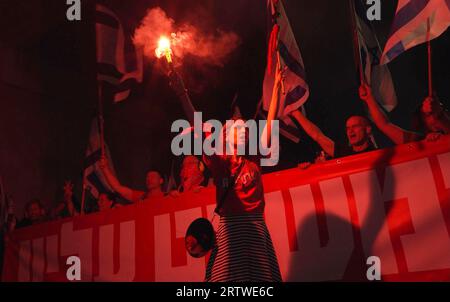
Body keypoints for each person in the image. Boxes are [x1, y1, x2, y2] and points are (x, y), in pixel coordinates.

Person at [170, 63, 283, 282]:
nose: (241, 129)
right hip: (230, 229)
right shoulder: (220, 162)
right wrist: (182, 93)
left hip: (256, 228)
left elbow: (272, 120)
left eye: (243, 127)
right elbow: (196, 121)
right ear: (224, 138)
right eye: (234, 127)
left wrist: (277, 86)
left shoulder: (253, 159)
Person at [359, 83, 450, 144]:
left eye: (438, 112)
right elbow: (385, 125)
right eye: (428, 114)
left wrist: (439, 115)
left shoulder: (444, 122)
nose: (433, 116)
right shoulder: (416, 141)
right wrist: (369, 99)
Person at [291, 109, 377, 159]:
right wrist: (295, 112)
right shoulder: (343, 153)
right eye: (347, 128)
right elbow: (317, 135)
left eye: (355, 126)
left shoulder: (377, 155)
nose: (350, 131)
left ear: (367, 129)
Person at [99, 157, 165, 203]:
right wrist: (105, 168)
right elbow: (117, 187)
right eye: (147, 177)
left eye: (152, 176)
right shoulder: (140, 197)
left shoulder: (168, 197)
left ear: (161, 180)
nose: (149, 179)